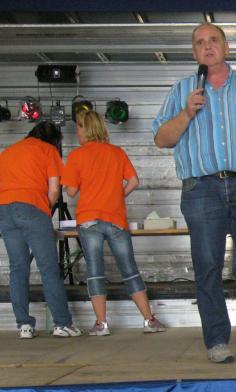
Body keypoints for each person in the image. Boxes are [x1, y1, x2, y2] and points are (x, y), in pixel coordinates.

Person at [152, 23, 236, 363]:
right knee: (208, 265)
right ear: (194, 53)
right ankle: (216, 340)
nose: (207, 46)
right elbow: (161, 139)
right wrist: (187, 113)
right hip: (201, 188)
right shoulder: (182, 90)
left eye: (213, 40)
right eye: (200, 42)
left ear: (226, 47)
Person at [62, 110, 166, 337]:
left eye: (79, 126)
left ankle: (102, 324)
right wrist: (117, 196)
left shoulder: (77, 156)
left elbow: (70, 191)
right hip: (116, 219)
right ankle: (149, 320)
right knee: (129, 270)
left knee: (95, 271)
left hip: (89, 220)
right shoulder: (117, 152)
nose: (77, 131)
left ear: (86, 129)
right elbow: (134, 181)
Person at [0, 121, 82, 339]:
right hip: (32, 207)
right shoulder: (48, 150)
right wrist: (44, 213)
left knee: (18, 269)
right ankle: (62, 324)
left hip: (4, 210)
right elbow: (54, 189)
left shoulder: (8, 152)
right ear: (53, 141)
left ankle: (24, 326)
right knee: (48, 269)